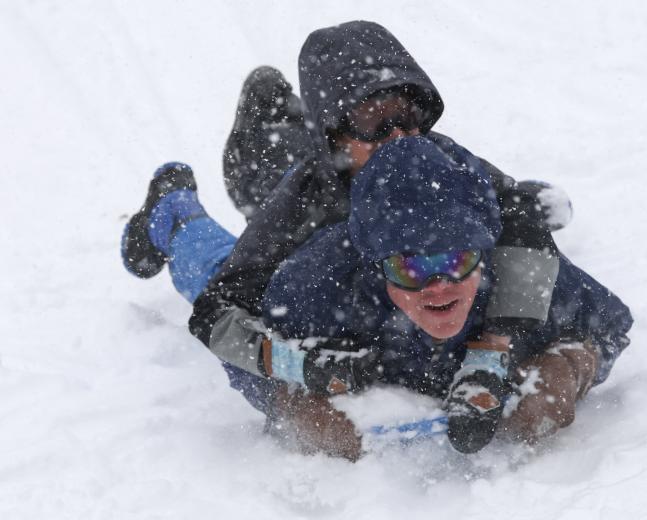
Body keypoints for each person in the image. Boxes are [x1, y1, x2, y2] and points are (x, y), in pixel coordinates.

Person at [119, 21, 595, 455]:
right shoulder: (303, 203)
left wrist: (494, 345)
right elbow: (218, 314)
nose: (398, 136)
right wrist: (295, 367)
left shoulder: (440, 161)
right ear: (336, 133)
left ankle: (278, 115)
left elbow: (522, 230)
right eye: (373, 122)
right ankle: (174, 212)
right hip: (301, 239)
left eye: (408, 118)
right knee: (226, 243)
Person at [241, 136, 632, 460]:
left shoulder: (518, 272)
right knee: (221, 257)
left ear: (481, 253)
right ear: (378, 265)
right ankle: (182, 211)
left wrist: (565, 369)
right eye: (410, 269)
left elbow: (610, 326)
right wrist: (292, 396)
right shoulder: (320, 282)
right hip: (309, 230)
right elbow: (238, 346)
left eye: (456, 260)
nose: (438, 286)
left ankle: (530, 201)